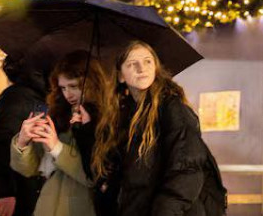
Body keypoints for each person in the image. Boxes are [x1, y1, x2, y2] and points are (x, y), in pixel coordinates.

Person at [95, 41, 226, 216]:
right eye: (132, 64)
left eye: (148, 61)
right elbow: (113, 172)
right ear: (121, 76)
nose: (141, 68)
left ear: (156, 67)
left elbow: (186, 169)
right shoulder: (123, 116)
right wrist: (85, 127)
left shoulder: (172, 108)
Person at [10, 51, 115, 216]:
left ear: (91, 82)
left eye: (73, 86)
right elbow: (29, 169)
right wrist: (22, 143)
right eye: (63, 88)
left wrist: (57, 148)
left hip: (84, 207)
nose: (68, 94)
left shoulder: (109, 118)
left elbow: (94, 176)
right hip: (48, 205)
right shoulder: (59, 115)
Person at [0, 55, 47, 216]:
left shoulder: (39, 97)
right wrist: (5, 191)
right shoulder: (17, 97)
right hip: (14, 196)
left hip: (27, 192)